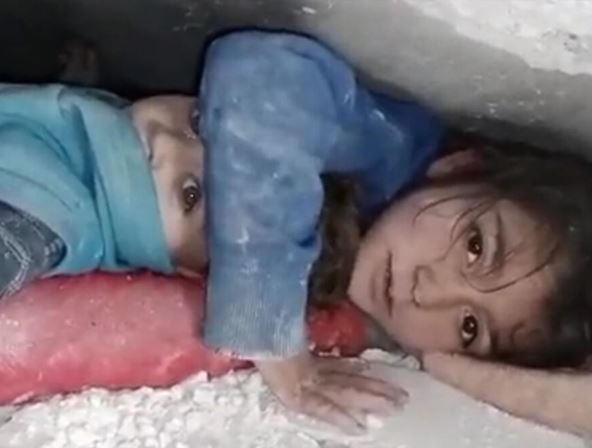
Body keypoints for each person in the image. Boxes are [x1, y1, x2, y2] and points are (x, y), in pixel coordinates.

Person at [196, 31, 592, 434]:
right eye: (474, 247)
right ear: (460, 168)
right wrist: (265, 321)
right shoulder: (389, 151)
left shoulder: (364, 321)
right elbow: (261, 76)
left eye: (469, 328)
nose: (427, 293)